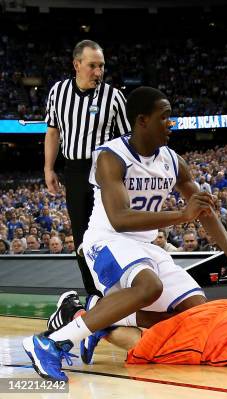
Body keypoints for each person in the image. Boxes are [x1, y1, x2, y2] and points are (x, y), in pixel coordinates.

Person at [23, 87, 227, 382]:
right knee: (149, 286)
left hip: (145, 246)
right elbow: (120, 220)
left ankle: (101, 318)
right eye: (165, 117)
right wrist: (182, 215)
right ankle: (51, 343)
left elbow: (202, 209)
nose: (171, 123)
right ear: (142, 120)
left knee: (194, 313)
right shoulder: (111, 157)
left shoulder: (173, 161)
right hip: (106, 240)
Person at [44, 40, 130, 298]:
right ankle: (94, 293)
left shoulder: (114, 97)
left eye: (101, 66)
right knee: (81, 236)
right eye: (92, 66)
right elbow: (52, 131)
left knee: (111, 231)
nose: (98, 71)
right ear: (77, 65)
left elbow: (128, 139)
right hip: (75, 171)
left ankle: (119, 291)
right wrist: (49, 168)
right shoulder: (58, 92)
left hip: (105, 173)